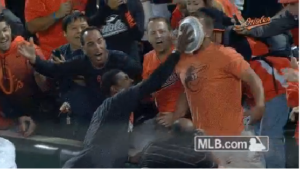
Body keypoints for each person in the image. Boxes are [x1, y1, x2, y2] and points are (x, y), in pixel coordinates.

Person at [60, 25, 193, 168]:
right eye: (125, 79)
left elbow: (107, 143)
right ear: (115, 89)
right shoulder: (116, 101)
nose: (130, 81)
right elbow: (154, 81)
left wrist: (127, 156)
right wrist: (177, 52)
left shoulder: (110, 112)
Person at [174, 8, 265, 167]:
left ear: (208, 31)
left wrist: (260, 106)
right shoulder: (182, 61)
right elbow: (186, 88)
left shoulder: (226, 54)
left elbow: (253, 78)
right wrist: (175, 116)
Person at [18, 26, 142, 113]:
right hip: (98, 112)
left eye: (99, 42)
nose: (97, 48)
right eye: (91, 44)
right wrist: (34, 59)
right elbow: (55, 70)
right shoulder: (81, 62)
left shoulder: (120, 59)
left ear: (105, 43)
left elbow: (139, 75)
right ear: (83, 49)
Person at [129, 17, 186, 159]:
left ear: (171, 34)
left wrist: (176, 116)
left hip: (183, 117)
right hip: (159, 118)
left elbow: (192, 91)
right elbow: (148, 92)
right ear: (147, 37)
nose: (158, 35)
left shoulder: (182, 55)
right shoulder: (148, 58)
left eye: (162, 31)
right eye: (153, 33)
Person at [0, 15, 47, 137]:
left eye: (4, 30)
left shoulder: (29, 50)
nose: (2, 36)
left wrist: (36, 66)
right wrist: (15, 118)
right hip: (11, 122)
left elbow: (48, 89)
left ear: (10, 29)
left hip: (40, 119)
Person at [138, 118, 219, 168]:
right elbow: (214, 165)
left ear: (171, 132)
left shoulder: (152, 146)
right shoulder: (198, 156)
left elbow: (139, 161)